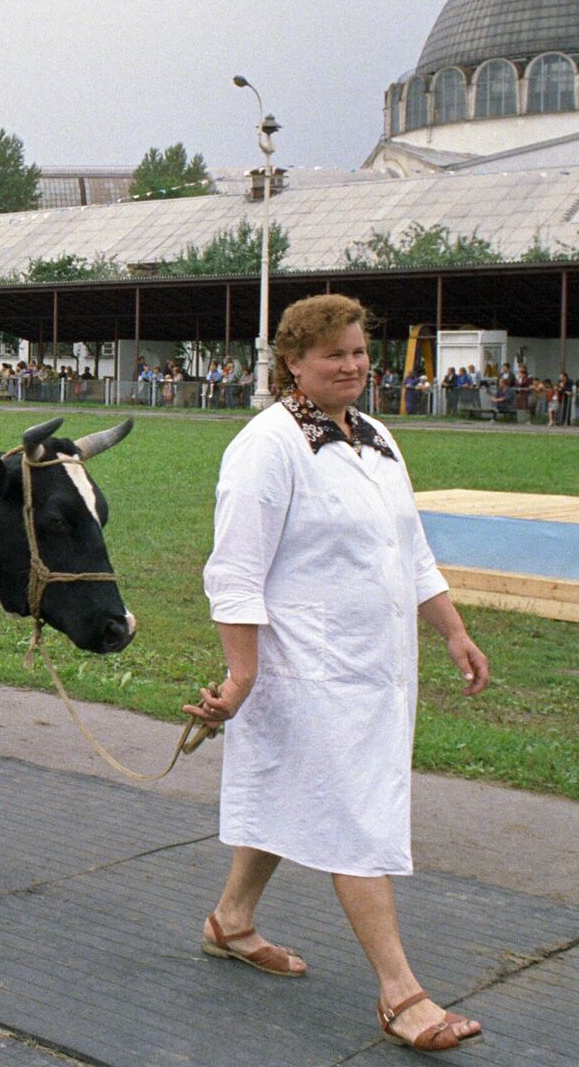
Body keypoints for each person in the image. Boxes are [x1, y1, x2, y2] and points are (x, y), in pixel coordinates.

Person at [188, 294, 491, 1054]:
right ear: (293, 362)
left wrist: (453, 630)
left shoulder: (377, 438)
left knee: (303, 794)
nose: (354, 366)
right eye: (335, 355)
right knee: (352, 816)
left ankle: (230, 919)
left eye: (360, 352)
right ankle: (401, 993)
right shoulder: (267, 446)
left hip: (376, 668)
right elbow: (234, 572)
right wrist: (243, 673)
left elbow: (411, 550)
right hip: (307, 671)